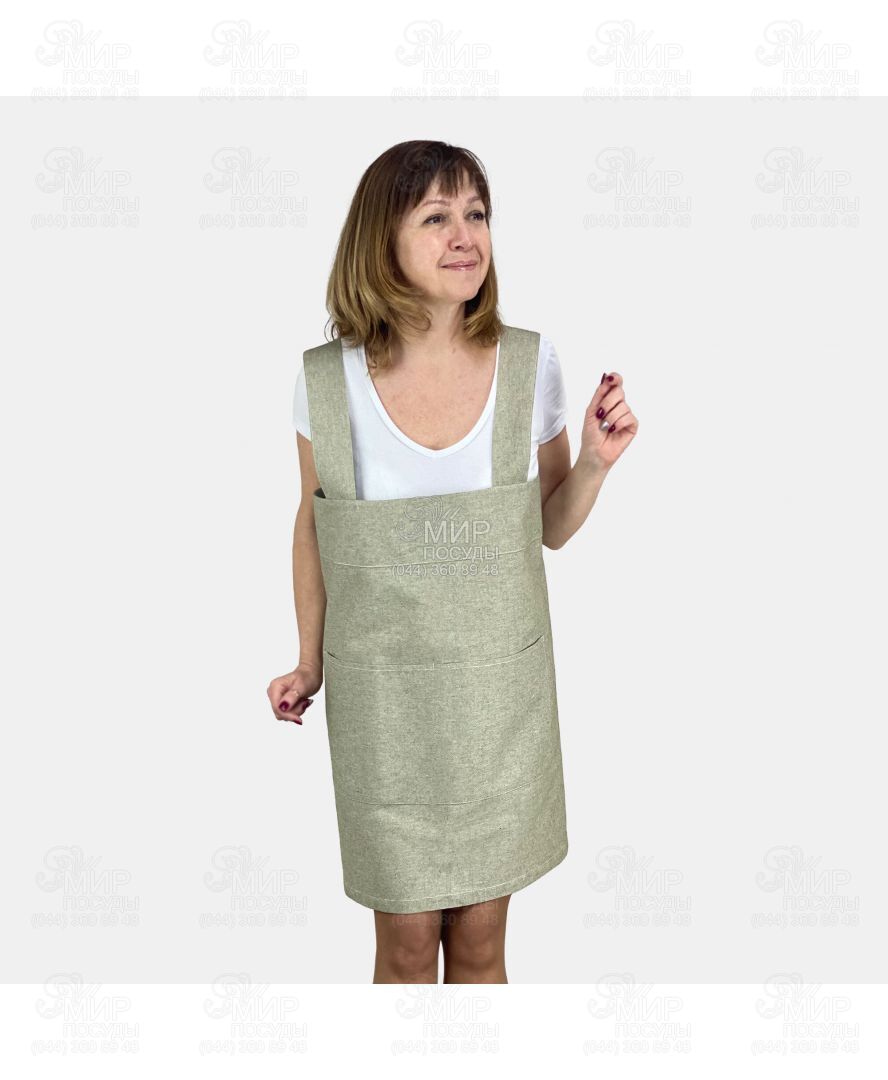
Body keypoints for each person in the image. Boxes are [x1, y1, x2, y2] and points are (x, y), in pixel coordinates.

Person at [267, 140, 638, 984]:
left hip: (498, 711)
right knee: (403, 950)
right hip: (384, 713)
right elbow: (315, 528)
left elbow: (547, 528)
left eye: (476, 213)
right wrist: (307, 662)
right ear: (382, 240)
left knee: (479, 946)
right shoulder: (326, 383)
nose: (464, 235)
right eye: (436, 217)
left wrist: (593, 463)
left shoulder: (529, 364)